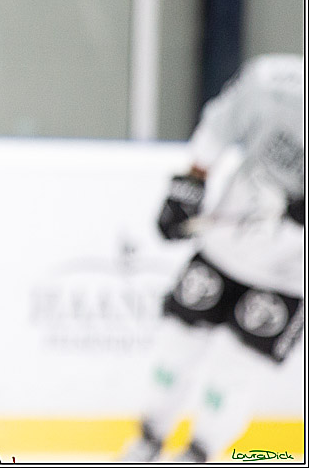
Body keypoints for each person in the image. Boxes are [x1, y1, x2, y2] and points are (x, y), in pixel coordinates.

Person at [122, 54, 305, 462]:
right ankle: (149, 439)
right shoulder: (277, 82)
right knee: (176, 348)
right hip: (227, 245)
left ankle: (198, 454)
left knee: (234, 375)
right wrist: (192, 182)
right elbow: (222, 122)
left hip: (291, 274)